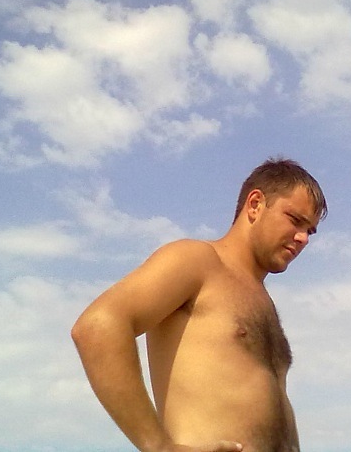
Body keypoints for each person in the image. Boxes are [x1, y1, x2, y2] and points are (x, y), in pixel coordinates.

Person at [71, 157, 328, 452]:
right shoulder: (197, 261)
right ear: (255, 204)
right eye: (295, 220)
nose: (303, 238)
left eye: (310, 231)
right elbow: (97, 326)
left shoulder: (263, 301)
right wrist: (159, 446)